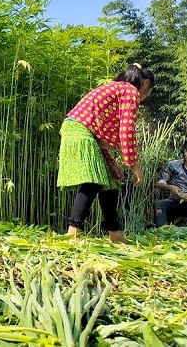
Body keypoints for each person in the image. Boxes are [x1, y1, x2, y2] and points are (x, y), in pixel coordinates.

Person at [57, 64, 154, 243]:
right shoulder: (129, 91)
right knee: (93, 180)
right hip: (80, 130)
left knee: (110, 182)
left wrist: (113, 164)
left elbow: (100, 139)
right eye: (148, 92)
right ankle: (73, 231)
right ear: (145, 83)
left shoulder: (117, 89)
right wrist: (135, 166)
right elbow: (127, 131)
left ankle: (115, 232)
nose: (145, 97)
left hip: (80, 130)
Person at [154, 141, 187, 227]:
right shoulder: (173, 165)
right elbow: (160, 184)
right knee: (160, 204)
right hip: (174, 200)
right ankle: (161, 229)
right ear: (185, 152)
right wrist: (171, 187)